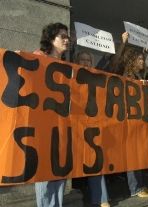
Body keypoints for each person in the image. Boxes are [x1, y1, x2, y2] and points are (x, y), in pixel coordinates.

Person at [33, 22, 70, 207]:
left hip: (62, 126)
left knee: (60, 170)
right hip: (44, 125)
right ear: (50, 39)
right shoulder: (39, 57)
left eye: (67, 36)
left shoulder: (66, 65)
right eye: (62, 36)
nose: (66, 39)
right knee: (46, 172)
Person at [74, 50, 110, 207]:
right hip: (74, 126)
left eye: (88, 60)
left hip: (91, 126)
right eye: (82, 59)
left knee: (95, 160)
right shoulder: (71, 75)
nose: (85, 63)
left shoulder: (97, 78)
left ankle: (101, 199)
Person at [119, 47, 148, 198]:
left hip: (139, 119)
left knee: (138, 154)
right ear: (132, 61)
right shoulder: (127, 75)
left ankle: (141, 186)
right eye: (140, 59)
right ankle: (135, 188)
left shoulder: (138, 74)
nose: (142, 61)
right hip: (130, 120)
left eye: (143, 59)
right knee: (133, 155)